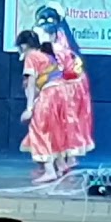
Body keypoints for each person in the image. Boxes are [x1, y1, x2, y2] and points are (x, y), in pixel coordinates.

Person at [35, 3, 94, 165]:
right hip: (59, 86)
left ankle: (67, 156)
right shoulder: (46, 40)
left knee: (66, 121)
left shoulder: (62, 43)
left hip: (68, 87)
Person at [16, 30, 72, 183]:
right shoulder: (48, 57)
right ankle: (61, 165)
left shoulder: (31, 56)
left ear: (24, 45)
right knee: (55, 131)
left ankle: (49, 170)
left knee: (40, 130)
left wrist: (29, 109)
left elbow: (32, 83)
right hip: (62, 95)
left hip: (49, 95)